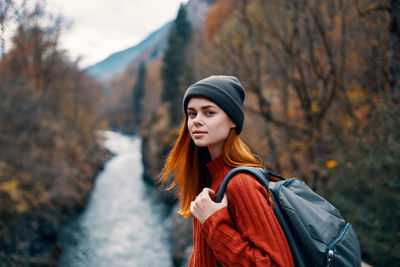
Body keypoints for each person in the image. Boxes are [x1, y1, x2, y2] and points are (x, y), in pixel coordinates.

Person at [160, 75, 294, 266]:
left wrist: (215, 223)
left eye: (209, 113)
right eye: (192, 114)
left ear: (232, 120)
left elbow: (277, 264)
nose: (197, 121)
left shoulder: (241, 183)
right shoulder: (209, 178)